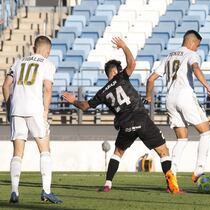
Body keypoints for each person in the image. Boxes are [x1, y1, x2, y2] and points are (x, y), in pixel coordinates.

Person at [62, 37, 180, 193]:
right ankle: (170, 185)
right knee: (163, 152)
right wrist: (124, 46)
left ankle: (107, 184)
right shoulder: (121, 77)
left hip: (125, 125)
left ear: (107, 73)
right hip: (141, 119)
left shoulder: (102, 92)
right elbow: (132, 64)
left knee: (118, 153)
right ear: (115, 71)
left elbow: (84, 106)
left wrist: (73, 100)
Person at [145, 30, 210, 183]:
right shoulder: (191, 54)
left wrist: (148, 96)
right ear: (191, 42)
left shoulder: (169, 56)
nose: (197, 48)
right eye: (197, 45)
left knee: (182, 139)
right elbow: (196, 68)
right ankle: (199, 168)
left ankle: (173, 171)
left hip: (169, 99)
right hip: (185, 96)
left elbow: (151, 79)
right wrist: (207, 87)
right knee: (206, 133)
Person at [2, 36, 62, 203]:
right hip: (34, 109)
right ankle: (46, 191)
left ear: (34, 47)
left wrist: (9, 108)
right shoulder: (47, 64)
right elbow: (48, 89)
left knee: (17, 153)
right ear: (47, 51)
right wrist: (45, 111)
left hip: (16, 109)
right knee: (44, 149)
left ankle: (14, 192)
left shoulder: (18, 62)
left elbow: (5, 85)